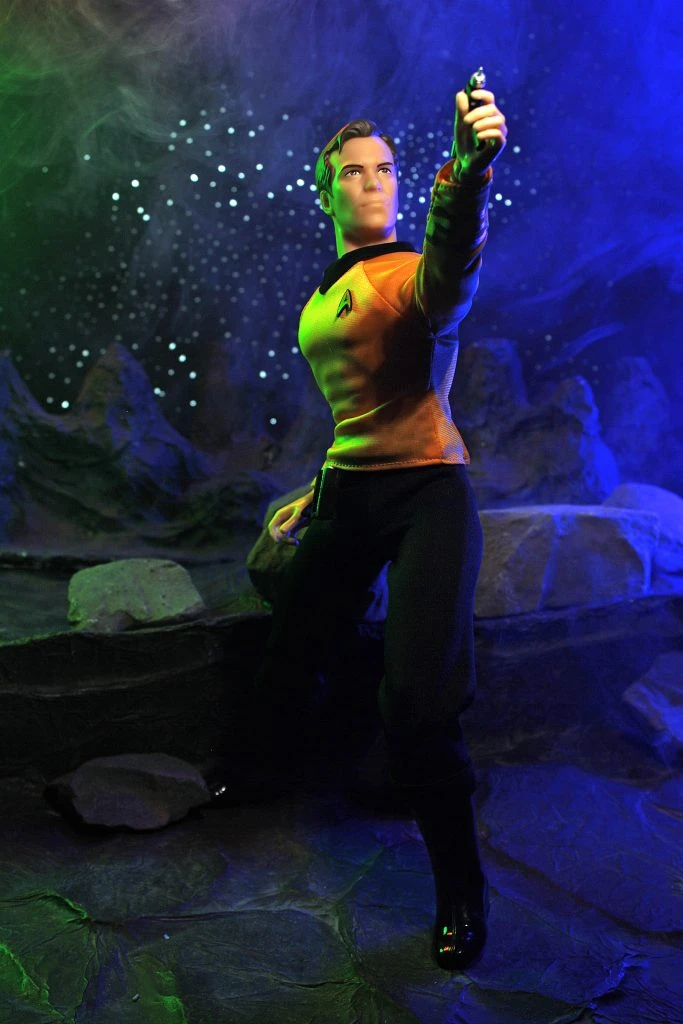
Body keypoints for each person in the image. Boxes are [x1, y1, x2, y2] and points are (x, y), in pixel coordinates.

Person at [213, 82, 507, 973]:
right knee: (290, 647)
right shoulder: (327, 291)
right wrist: (316, 485)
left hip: (427, 495)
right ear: (325, 192)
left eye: (385, 168)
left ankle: (460, 891)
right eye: (353, 171)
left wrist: (466, 173)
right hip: (348, 487)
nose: (373, 180)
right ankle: (256, 777)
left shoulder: (410, 273)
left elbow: (453, 264)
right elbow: (359, 407)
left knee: (420, 705)